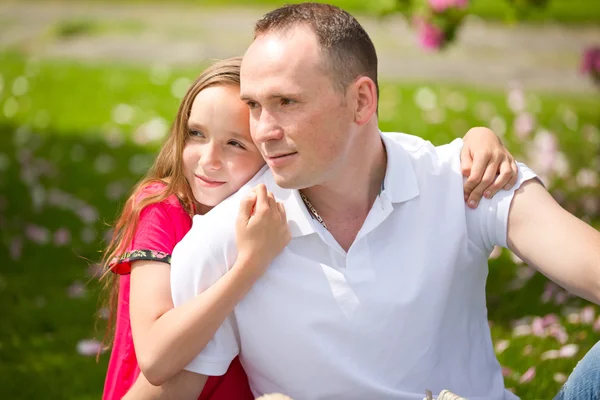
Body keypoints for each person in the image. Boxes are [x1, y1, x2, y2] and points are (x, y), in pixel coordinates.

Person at [168, 3, 600, 400]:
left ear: (361, 101)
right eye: (254, 105)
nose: (263, 130)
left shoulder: (466, 177)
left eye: (286, 102)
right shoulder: (225, 240)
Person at [100, 56, 514, 399]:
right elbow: (155, 357)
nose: (208, 160)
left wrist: (478, 137)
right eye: (195, 134)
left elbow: (375, 150)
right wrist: (249, 265)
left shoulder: (277, 209)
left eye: (234, 144)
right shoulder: (162, 206)